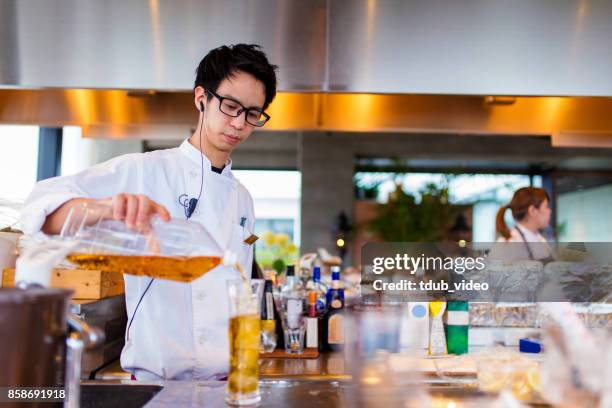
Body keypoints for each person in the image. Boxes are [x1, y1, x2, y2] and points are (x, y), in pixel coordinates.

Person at [20, 44, 278, 380]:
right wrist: (104, 208)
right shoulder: (144, 171)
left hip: (225, 386)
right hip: (156, 385)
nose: (239, 123)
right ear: (201, 98)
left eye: (252, 114)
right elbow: (40, 207)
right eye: (230, 106)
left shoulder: (243, 197)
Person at [495, 187, 553, 261]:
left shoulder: (540, 239)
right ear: (532, 211)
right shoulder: (507, 244)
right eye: (546, 206)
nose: (549, 211)